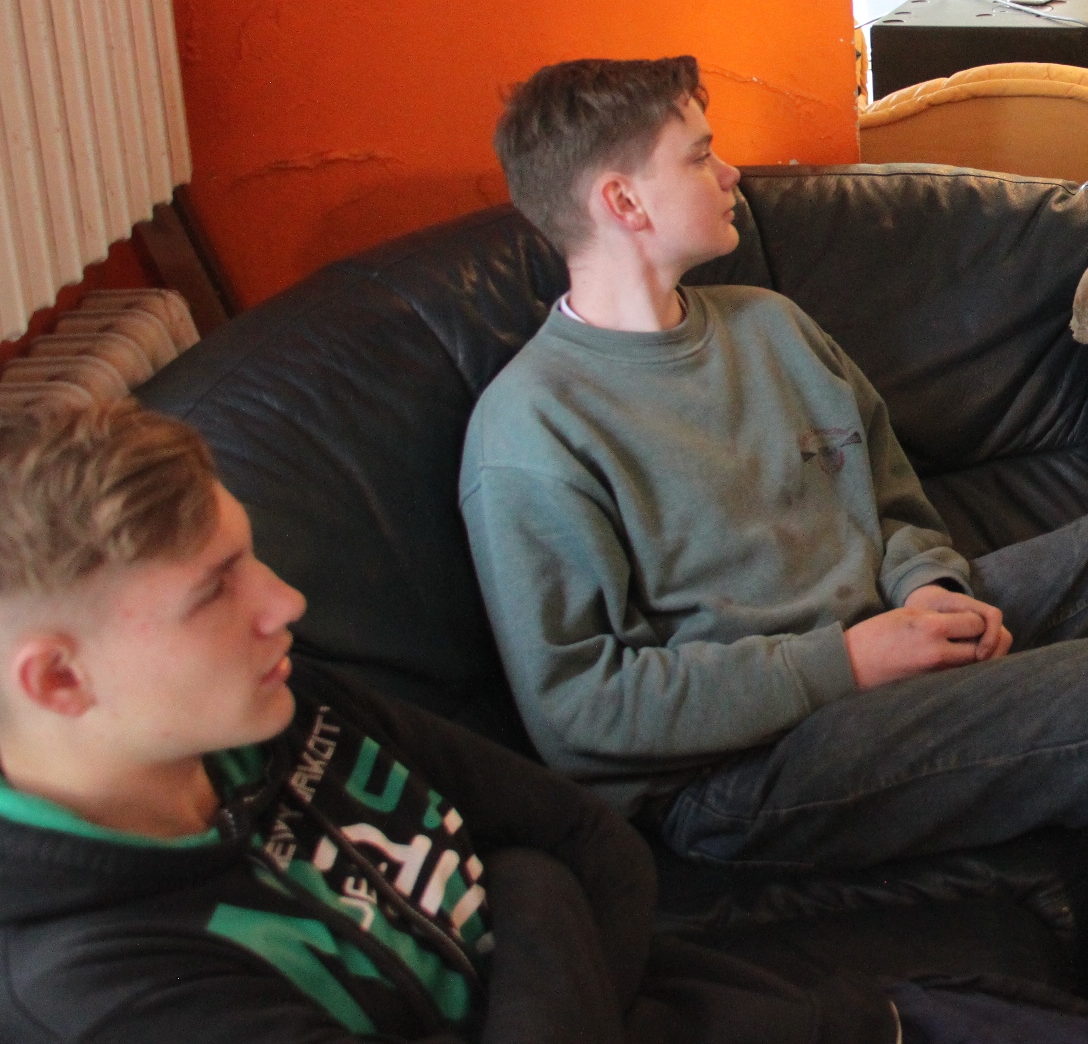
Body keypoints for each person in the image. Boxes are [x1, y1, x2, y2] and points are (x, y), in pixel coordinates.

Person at [458, 56, 1088, 1044]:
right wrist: (848, 661)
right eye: (700, 155)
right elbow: (579, 710)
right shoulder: (532, 430)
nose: (730, 175)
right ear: (623, 201)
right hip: (744, 769)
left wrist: (926, 583)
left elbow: (892, 500)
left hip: (887, 637)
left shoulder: (769, 328)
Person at [0, 401, 907, 1044]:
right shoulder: (94, 986)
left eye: (249, 556)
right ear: (59, 679)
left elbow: (591, 844)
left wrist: (541, 913)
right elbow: (546, 867)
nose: (285, 602)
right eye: (213, 590)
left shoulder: (284, 700)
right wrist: (531, 893)